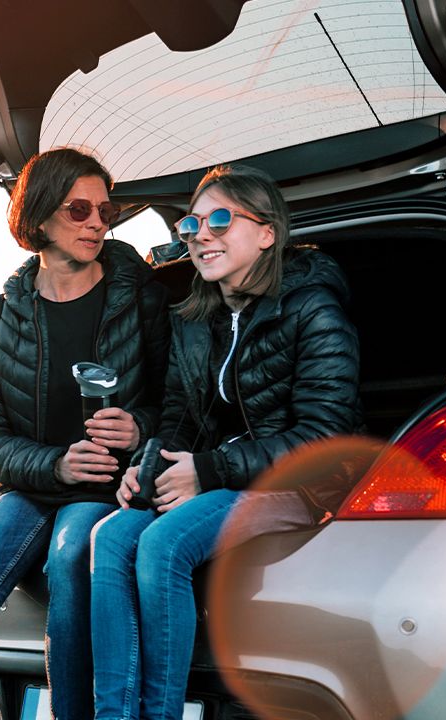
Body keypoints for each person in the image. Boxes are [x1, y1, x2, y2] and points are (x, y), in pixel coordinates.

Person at [89, 164, 363, 719]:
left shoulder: (313, 308)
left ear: (267, 233)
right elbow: (178, 417)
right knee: (111, 537)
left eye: (220, 219)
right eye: (192, 223)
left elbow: (322, 437)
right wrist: (145, 467)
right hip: (221, 471)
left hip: (304, 483)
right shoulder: (197, 315)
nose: (201, 234)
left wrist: (208, 470)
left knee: (164, 545)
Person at [0, 147, 169, 720]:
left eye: (106, 210)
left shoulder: (143, 297)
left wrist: (137, 428)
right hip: (27, 488)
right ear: (38, 215)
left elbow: (178, 404)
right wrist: (54, 465)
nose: (98, 223)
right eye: (80, 209)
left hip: (102, 490)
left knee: (67, 576)